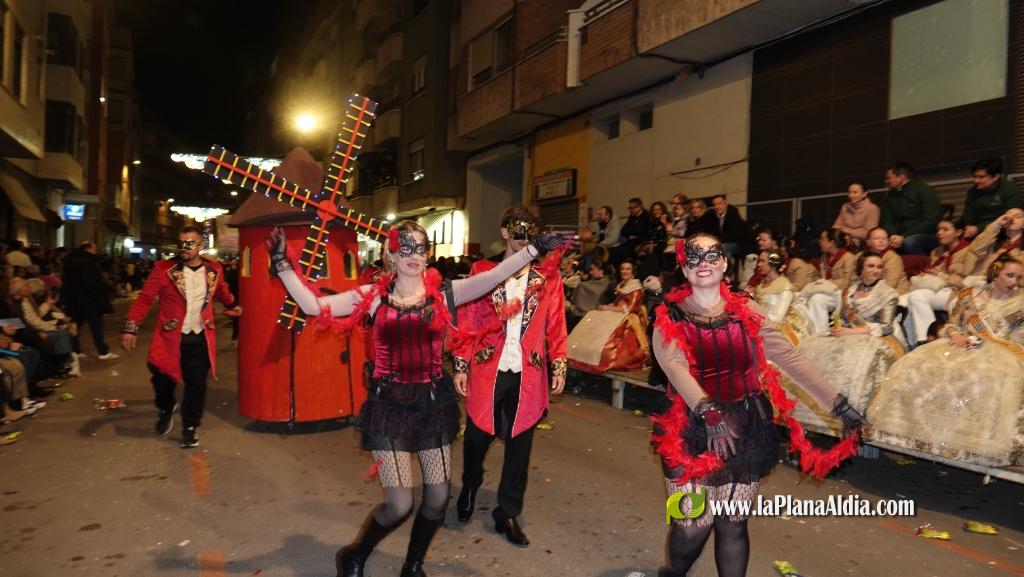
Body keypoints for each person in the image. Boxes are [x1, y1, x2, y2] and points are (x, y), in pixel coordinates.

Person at [273, 218, 570, 576]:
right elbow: (311, 305)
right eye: (406, 247)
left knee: (438, 497)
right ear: (392, 254)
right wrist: (283, 264)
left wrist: (535, 248)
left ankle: (412, 566)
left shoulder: (444, 294)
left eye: (421, 247)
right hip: (389, 406)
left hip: (431, 403)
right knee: (399, 504)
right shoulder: (372, 298)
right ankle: (354, 554)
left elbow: (492, 277)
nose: (415, 254)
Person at [651, 234, 865, 577]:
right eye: (693, 257)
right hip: (689, 428)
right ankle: (672, 574)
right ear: (683, 267)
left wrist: (838, 405)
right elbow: (673, 365)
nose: (703, 263)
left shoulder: (747, 308)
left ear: (723, 264)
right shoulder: (668, 314)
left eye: (711, 256)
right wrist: (708, 411)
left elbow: (788, 356)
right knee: (691, 523)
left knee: (732, 522)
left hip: (745, 424)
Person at [453, 206, 570, 548]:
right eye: (517, 232)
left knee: (520, 444)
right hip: (488, 367)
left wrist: (559, 363)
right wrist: (461, 364)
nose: (523, 239)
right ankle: (471, 484)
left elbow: (556, 324)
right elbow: (469, 319)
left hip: (528, 370)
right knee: (476, 437)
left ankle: (507, 512)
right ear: (505, 232)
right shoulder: (483, 270)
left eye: (530, 233)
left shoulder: (548, 278)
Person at [870, 256, 1024, 467]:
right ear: (995, 273)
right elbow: (951, 324)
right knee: (916, 366)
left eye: (1019, 277)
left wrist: (994, 341)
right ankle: (913, 434)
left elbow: (1018, 339)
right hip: (959, 345)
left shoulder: (1020, 303)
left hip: (997, 352)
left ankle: (972, 443)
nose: (1014, 282)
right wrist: (955, 335)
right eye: (1010, 275)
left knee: (988, 377)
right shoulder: (969, 296)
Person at [118, 226, 241, 449]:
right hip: (170, 338)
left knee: (196, 385)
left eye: (190, 243)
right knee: (161, 377)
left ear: (201, 246)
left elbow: (221, 292)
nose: (183, 248)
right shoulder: (163, 268)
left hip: (200, 337)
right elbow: (145, 299)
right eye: (181, 243)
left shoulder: (214, 270)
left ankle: (190, 427)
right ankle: (166, 406)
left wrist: (233, 305)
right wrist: (130, 327)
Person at [788, 252, 903, 432]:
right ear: (861, 269)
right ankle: (813, 416)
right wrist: (837, 329)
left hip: (874, 337)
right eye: (870, 266)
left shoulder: (888, 294)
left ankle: (857, 420)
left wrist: (856, 331)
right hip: (847, 335)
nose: (875, 270)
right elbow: (841, 317)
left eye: (879, 267)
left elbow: (887, 326)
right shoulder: (849, 291)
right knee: (813, 349)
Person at [903, 220, 976, 347]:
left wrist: (940, 275)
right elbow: (933, 274)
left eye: (945, 229)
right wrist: (927, 275)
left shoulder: (968, 251)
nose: (939, 233)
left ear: (958, 232)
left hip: (956, 291)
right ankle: (923, 340)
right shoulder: (936, 252)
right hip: (939, 288)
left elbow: (964, 281)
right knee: (908, 300)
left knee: (916, 296)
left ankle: (931, 338)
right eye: (938, 230)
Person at [63, 242, 118, 360]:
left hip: (74, 300)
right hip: (90, 301)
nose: (96, 252)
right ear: (88, 249)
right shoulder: (88, 263)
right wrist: (101, 296)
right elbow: (92, 284)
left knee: (75, 327)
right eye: (94, 250)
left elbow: (66, 282)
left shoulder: (69, 261)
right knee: (97, 327)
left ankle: (75, 350)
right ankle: (102, 352)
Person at [802, 229, 857, 335]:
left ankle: (820, 333)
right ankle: (810, 332)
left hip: (842, 294)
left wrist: (827, 283)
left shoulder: (849, 257)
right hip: (826, 292)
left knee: (817, 299)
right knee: (807, 298)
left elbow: (849, 281)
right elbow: (818, 277)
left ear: (831, 242)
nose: (820, 243)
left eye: (823, 240)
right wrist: (818, 282)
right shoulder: (824, 258)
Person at [881, 162, 941, 255]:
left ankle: (924, 266)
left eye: (889, 178)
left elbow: (931, 221)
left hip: (926, 234)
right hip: (899, 236)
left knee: (909, 242)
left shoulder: (924, 190)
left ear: (901, 177)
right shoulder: (890, 196)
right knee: (879, 243)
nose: (886, 181)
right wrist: (893, 235)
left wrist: (904, 236)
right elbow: (888, 220)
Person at [750, 250, 809, 343]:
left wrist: (754, 315)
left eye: (762, 261)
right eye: (759, 261)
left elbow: (778, 317)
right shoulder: (760, 286)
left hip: (781, 328)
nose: (759, 265)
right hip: (763, 323)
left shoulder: (785, 285)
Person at [962, 208, 1024, 288]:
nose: (1012, 218)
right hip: (979, 286)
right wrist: (996, 225)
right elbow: (974, 251)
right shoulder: (991, 240)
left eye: (1018, 217)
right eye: (1008, 215)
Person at [962, 157, 1022, 239]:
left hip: (1004, 234)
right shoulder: (973, 192)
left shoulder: (1009, 190)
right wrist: (968, 226)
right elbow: (968, 214)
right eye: (975, 177)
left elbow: (1010, 218)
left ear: (995, 177)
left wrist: (978, 228)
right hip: (978, 235)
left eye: (981, 177)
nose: (976, 181)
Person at [565, 258, 611, 331]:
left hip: (591, 314)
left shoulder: (605, 283)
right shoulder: (594, 281)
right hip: (583, 312)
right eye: (590, 269)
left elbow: (595, 295)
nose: (591, 272)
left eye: (593, 270)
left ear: (600, 271)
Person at [864, 227, 909, 295]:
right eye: (876, 238)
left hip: (896, 290)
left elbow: (891, 283)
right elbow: (856, 277)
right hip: (870, 288)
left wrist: (870, 293)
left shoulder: (893, 257)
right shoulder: (862, 255)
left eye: (884, 238)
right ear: (868, 242)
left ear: (888, 241)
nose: (881, 241)